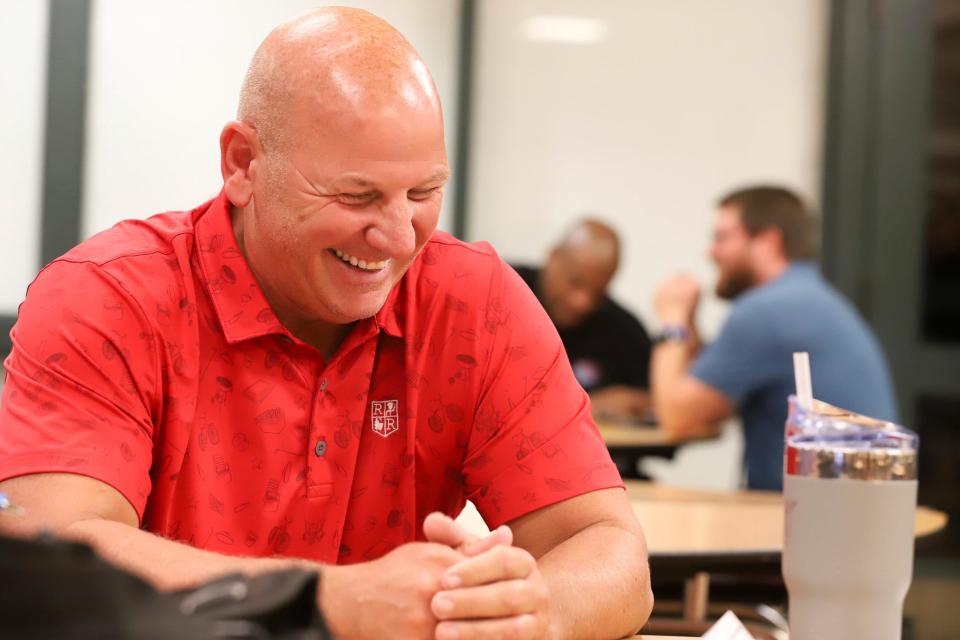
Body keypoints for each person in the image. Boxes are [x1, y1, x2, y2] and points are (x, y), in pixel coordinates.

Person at [0, 8, 652, 640]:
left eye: (423, 193)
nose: (398, 237)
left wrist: (534, 614)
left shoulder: (475, 306)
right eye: (356, 195)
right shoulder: (111, 298)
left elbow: (606, 549)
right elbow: (58, 562)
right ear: (242, 164)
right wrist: (326, 603)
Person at [651, 186, 898, 491]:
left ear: (768, 241)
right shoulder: (805, 298)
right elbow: (710, 405)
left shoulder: (766, 312)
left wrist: (673, 321)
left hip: (812, 524)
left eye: (722, 238)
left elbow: (677, 417)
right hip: (853, 514)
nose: (710, 252)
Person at [513, 219, 653, 422]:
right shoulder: (504, 293)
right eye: (575, 282)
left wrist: (635, 402)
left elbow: (656, 401)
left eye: (598, 291)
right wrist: (585, 405)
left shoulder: (625, 331)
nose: (583, 302)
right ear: (552, 257)